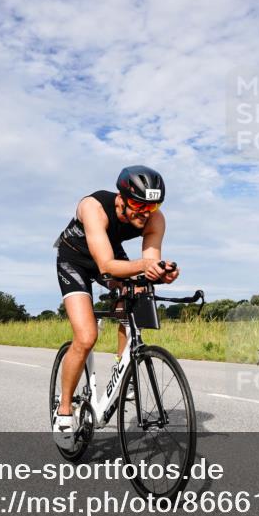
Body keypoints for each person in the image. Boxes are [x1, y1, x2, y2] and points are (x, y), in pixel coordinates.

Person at [52, 165, 180, 448]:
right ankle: (64, 410)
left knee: (138, 291)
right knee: (86, 337)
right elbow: (106, 266)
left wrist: (162, 272)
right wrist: (145, 266)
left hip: (109, 252)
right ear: (121, 198)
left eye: (153, 206)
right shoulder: (93, 207)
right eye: (139, 205)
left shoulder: (155, 219)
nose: (145, 213)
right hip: (75, 260)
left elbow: (149, 264)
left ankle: (124, 371)